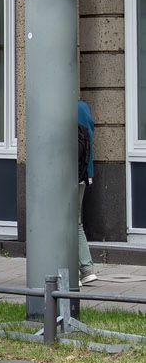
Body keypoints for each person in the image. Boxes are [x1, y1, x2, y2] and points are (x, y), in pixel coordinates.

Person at [78, 99, 97, 286]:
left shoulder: (58, 107)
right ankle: (86, 269)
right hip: (83, 174)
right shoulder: (83, 106)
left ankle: (71, 271)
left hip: (63, 175)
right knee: (76, 223)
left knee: (62, 224)